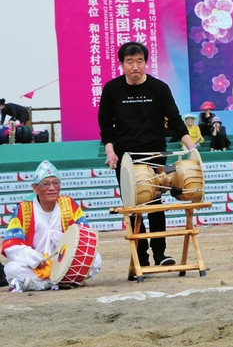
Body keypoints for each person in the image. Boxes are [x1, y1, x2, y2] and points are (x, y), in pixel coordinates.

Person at [98, 41, 195, 269]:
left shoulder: (159, 88)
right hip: (126, 159)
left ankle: (160, 254)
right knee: (133, 206)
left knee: (156, 203)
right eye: (129, 61)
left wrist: (192, 149)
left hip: (157, 155)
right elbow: (105, 124)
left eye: (139, 61)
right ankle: (140, 256)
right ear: (121, 64)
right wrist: (110, 152)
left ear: (145, 62)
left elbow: (175, 121)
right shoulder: (112, 89)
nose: (135, 66)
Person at [1, 161, 102, 292]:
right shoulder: (23, 209)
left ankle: (42, 284)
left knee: (96, 259)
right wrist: (35, 259)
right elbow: (12, 245)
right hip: (36, 266)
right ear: (35, 188)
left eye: (56, 183)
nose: (52, 188)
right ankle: (55, 283)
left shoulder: (69, 204)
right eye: (46, 184)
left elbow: (84, 235)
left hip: (65, 261)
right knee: (10, 269)